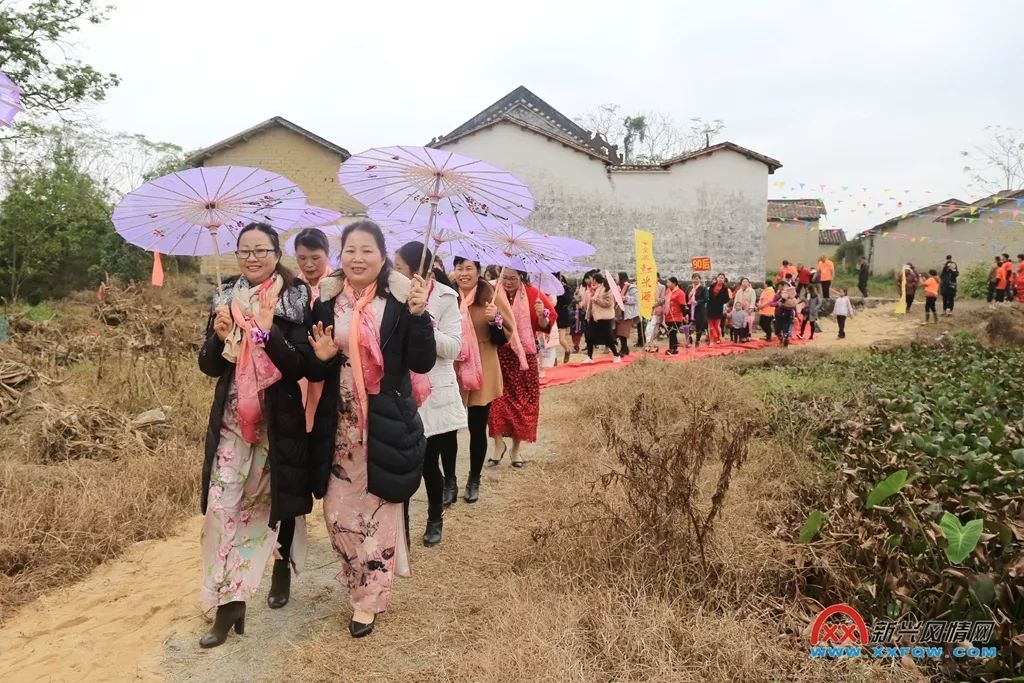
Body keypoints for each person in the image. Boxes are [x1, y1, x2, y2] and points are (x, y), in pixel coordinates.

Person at [306, 220, 435, 639]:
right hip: (339, 425)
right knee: (338, 515)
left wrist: (420, 316)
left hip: (384, 421)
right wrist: (322, 358)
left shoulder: (399, 303)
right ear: (341, 257)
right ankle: (358, 574)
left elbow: (421, 362)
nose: (358, 258)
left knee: (379, 513)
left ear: (382, 257)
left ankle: (369, 599)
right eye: (350, 250)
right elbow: (315, 363)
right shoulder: (327, 303)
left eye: (367, 251)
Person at [197, 222, 316, 648]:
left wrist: (268, 334)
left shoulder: (294, 295)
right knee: (221, 508)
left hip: (276, 422)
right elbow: (210, 366)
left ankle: (280, 567)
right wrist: (219, 335)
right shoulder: (225, 295)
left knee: (272, 508)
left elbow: (301, 366)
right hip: (232, 422)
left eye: (260, 249)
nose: (251, 257)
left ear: (276, 252)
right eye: (244, 250)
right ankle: (231, 604)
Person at [392, 241, 465, 547]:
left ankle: (435, 516)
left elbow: (453, 348)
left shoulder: (447, 298)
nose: (394, 273)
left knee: (427, 463)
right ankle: (401, 529)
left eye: (399, 268)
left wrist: (424, 322)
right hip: (400, 390)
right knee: (400, 464)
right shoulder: (393, 294)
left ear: (417, 270)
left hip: (433, 390)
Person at [450, 257, 514, 504]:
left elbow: (505, 337)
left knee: (477, 427)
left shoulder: (491, 295)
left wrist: (495, 319)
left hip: (482, 365)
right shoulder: (448, 294)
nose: (464, 273)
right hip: (453, 366)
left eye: (469, 268)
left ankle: (474, 478)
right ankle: (449, 481)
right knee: (448, 430)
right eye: (459, 268)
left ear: (478, 271)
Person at [489, 269, 556, 468]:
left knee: (522, 403)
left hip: (524, 358)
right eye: (505, 278)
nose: (508, 282)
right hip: (499, 354)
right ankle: (498, 444)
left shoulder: (534, 294)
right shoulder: (493, 292)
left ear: (522, 278)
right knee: (496, 400)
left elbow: (545, 323)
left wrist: (540, 314)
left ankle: (516, 450)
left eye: (513, 278)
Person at [585, 273, 620, 363]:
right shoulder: (593, 290)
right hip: (594, 317)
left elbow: (609, 303)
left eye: (593, 280)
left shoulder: (606, 289)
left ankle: (616, 355)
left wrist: (597, 300)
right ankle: (590, 357)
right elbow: (590, 303)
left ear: (596, 281)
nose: (592, 282)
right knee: (589, 336)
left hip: (605, 318)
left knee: (608, 338)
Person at [615, 272, 640, 356]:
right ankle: (624, 348)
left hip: (627, 313)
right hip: (619, 313)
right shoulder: (618, 288)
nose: (616, 279)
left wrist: (625, 298)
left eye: (617, 277)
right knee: (620, 332)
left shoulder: (631, 287)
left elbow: (636, 299)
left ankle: (624, 348)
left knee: (623, 332)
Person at [553, 272, 574, 364]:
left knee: (560, 339)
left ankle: (567, 350)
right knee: (551, 339)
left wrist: (561, 289)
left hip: (562, 314)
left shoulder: (565, 287)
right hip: (552, 314)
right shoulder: (548, 287)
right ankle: (554, 359)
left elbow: (568, 300)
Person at [663, 277, 688, 355]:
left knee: (673, 332)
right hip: (668, 315)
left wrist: (684, 316)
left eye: (668, 283)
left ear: (674, 283)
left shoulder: (680, 293)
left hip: (676, 316)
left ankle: (673, 349)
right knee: (671, 334)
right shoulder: (667, 291)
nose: (667, 284)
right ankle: (672, 348)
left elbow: (682, 306)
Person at [644, 275, 667, 352]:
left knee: (655, 328)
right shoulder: (648, 286)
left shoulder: (662, 287)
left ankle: (653, 345)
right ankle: (648, 343)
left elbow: (663, 299)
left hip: (657, 310)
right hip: (649, 310)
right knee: (648, 328)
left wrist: (654, 303)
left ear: (658, 278)